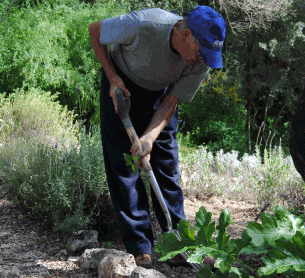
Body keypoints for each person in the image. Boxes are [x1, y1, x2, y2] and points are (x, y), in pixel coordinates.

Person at [88, 5, 226, 269]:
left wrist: (149, 138)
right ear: (185, 34)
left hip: (160, 99)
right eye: (201, 52)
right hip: (123, 85)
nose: (203, 60)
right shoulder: (145, 24)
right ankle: (140, 247)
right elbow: (95, 31)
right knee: (125, 168)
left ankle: (179, 246)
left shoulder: (201, 60)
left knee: (167, 170)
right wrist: (113, 78)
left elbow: (171, 101)